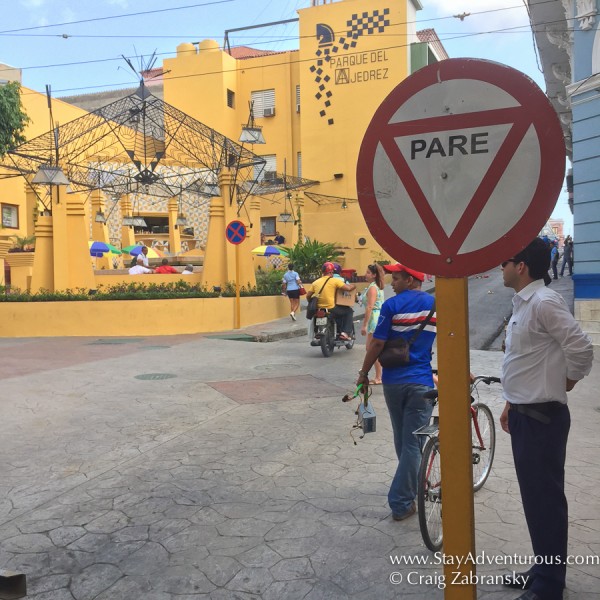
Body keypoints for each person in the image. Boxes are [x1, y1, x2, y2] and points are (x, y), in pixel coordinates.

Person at [500, 238, 593, 600]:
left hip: (542, 418)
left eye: (505, 262)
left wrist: (567, 381)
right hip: (525, 413)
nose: (500, 268)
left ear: (520, 265)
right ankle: (543, 569)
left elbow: (581, 348)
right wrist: (511, 401)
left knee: (545, 502)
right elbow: (524, 361)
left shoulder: (544, 302)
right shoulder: (523, 303)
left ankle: (549, 586)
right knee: (535, 501)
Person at [356, 263, 436, 521]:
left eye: (398, 278)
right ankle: (412, 488)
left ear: (412, 280)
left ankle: (400, 502)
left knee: (405, 440)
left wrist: (363, 372)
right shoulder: (436, 306)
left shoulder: (392, 306)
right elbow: (448, 338)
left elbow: (378, 342)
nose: (392, 283)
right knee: (410, 441)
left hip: (393, 381)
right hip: (422, 382)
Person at [306, 261, 356, 341]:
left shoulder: (315, 282)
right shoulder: (334, 281)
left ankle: (317, 331)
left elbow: (308, 296)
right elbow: (348, 288)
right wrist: (354, 286)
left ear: (322, 272)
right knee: (349, 311)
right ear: (331, 272)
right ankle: (345, 333)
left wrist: (311, 302)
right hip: (331, 308)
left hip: (318, 309)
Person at [360, 264, 385, 385]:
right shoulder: (374, 286)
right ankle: (378, 375)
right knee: (372, 348)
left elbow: (370, 306)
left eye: (368, 272)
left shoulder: (373, 288)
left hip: (374, 318)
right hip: (377, 317)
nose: (366, 274)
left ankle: (379, 376)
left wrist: (364, 325)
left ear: (374, 275)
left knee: (371, 349)